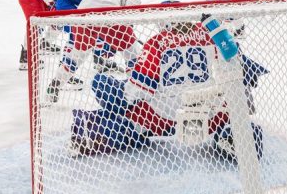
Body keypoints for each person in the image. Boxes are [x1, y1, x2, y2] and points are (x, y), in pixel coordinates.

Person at [69, 17, 267, 163]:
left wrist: (123, 98)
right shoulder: (211, 36)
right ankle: (231, 133)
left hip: (163, 119)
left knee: (101, 83)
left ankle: (127, 130)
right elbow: (240, 64)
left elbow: (137, 90)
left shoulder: (157, 41)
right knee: (230, 99)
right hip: (210, 115)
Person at [47, 0, 148, 99]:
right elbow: (130, 11)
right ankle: (135, 95)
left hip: (82, 16)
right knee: (132, 54)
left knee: (77, 56)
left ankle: (54, 86)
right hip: (107, 15)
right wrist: (124, 36)